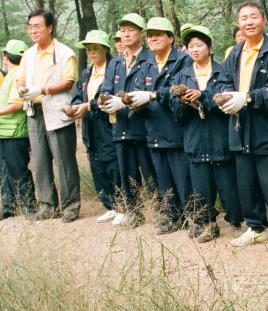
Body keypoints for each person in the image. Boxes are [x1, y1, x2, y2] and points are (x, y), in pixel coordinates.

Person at [218, 1, 268, 252]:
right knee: (246, 181)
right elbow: (221, 81)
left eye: (253, 17)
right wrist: (224, 96)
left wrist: (249, 97)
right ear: (238, 23)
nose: (249, 22)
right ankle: (255, 228)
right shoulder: (235, 53)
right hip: (240, 127)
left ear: (264, 20)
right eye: (244, 18)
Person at [171, 24, 243, 241]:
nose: (194, 49)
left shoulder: (222, 71)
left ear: (210, 48)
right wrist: (183, 102)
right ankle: (206, 222)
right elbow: (176, 114)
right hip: (195, 138)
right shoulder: (181, 76)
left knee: (228, 185)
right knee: (200, 186)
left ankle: (236, 221)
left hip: (219, 137)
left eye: (199, 45)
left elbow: (225, 101)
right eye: (190, 46)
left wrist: (202, 96)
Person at [17, 10, 80, 222]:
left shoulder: (64, 53)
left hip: (56, 109)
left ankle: (70, 206)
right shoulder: (28, 54)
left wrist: (42, 90)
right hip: (34, 112)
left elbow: (68, 81)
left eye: (37, 26)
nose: (33, 30)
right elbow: (21, 79)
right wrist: (22, 89)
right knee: (41, 161)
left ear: (50, 27)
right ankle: (47, 205)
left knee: (64, 161)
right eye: (30, 27)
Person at [131, 17, 190, 234]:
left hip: (176, 129)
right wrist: (129, 100)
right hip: (153, 130)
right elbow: (139, 89)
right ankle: (171, 217)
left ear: (171, 38)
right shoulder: (146, 64)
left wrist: (154, 95)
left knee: (183, 178)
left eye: (158, 34)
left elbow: (180, 91)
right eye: (150, 35)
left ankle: (193, 217)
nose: (153, 38)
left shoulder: (182, 60)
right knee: (162, 178)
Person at [98, 13, 157, 226]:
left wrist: (127, 101)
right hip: (120, 127)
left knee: (150, 173)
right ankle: (133, 212)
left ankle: (159, 211)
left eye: (131, 30)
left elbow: (152, 92)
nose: (126, 34)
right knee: (127, 174)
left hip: (143, 128)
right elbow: (105, 88)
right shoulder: (115, 63)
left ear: (141, 33)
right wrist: (104, 101)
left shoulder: (150, 59)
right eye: (122, 30)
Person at [68, 30, 120, 223]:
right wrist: (74, 107)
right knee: (96, 163)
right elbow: (78, 96)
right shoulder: (86, 73)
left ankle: (122, 204)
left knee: (112, 163)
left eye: (95, 48)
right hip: (89, 124)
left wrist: (88, 106)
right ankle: (109, 204)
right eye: (89, 49)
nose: (91, 52)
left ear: (105, 49)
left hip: (107, 122)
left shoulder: (113, 70)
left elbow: (107, 97)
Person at [0, 40, 36, 221]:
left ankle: (29, 205)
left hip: (15, 131)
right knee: (4, 170)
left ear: (5, 57)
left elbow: (16, 105)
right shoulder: (9, 76)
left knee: (18, 169)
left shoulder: (18, 77)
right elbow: (0, 100)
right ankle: (8, 205)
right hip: (3, 131)